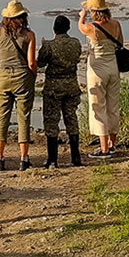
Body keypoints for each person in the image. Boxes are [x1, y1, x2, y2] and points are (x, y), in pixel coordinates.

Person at [0, 0, 37, 171]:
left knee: (3, 117)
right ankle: (24, 158)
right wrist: (34, 75)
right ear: (23, 16)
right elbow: (32, 62)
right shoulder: (29, 35)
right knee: (23, 117)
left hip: (3, 76)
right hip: (23, 76)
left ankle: (0, 158)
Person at [78, 0, 122, 159]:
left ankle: (103, 148)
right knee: (113, 106)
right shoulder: (116, 25)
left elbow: (81, 27)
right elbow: (121, 44)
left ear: (93, 11)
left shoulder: (91, 28)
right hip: (113, 67)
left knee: (98, 106)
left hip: (97, 70)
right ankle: (112, 144)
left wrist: (81, 17)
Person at [37, 14, 83, 168]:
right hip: (71, 86)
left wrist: (44, 46)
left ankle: (52, 159)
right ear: (68, 28)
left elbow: (41, 64)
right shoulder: (76, 43)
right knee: (71, 119)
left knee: (51, 122)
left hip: (54, 89)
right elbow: (76, 58)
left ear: (54, 29)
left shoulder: (49, 46)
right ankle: (76, 158)